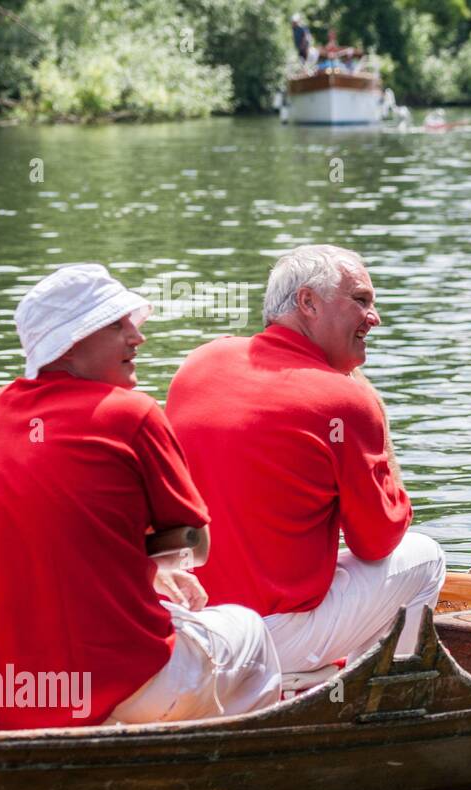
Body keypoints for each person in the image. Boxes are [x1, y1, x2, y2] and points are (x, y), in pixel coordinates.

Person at [0, 265, 282, 730]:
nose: (136, 338)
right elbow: (192, 542)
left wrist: (147, 574)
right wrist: (163, 563)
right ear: (70, 341)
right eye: (115, 325)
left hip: (11, 699)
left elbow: (52, 540)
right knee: (250, 631)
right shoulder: (131, 414)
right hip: (128, 683)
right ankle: (242, 773)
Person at [166, 246, 445, 674]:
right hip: (270, 637)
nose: (375, 317)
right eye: (361, 300)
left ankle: (328, 682)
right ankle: (378, 703)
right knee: (425, 557)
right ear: (308, 303)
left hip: (189, 624)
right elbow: (378, 541)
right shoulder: (346, 399)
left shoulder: (200, 362)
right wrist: (375, 414)